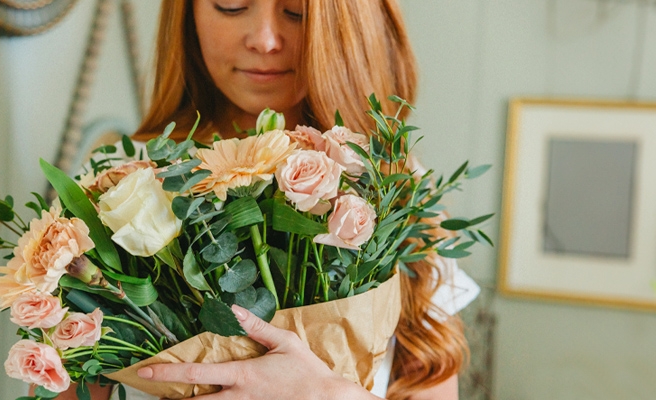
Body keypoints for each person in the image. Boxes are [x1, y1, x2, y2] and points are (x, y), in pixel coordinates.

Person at [53, 0, 479, 399]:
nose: (265, 39)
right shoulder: (120, 187)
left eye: (295, 10)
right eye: (232, 4)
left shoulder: (394, 191)